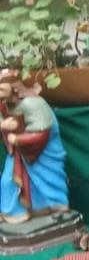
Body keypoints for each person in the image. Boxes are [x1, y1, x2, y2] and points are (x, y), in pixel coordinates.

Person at [0, 70, 67, 224]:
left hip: (43, 151)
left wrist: (18, 138)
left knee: (47, 178)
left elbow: (43, 132)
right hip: (18, 152)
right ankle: (14, 212)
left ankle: (57, 207)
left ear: (14, 88)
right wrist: (3, 125)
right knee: (8, 181)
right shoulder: (3, 105)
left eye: (1, 89)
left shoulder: (34, 104)